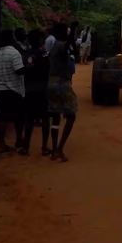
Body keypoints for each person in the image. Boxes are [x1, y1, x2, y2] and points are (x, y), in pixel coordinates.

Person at [47, 22, 78, 162]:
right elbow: (69, 44)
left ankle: (54, 149)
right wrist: (74, 30)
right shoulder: (61, 45)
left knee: (55, 116)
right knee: (71, 116)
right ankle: (59, 149)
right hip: (61, 82)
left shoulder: (53, 45)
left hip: (51, 82)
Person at [0, 29, 26, 153]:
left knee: (1, 118)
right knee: (19, 117)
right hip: (14, 90)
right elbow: (19, 70)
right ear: (12, 39)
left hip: (0, 90)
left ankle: (2, 144)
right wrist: (29, 68)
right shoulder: (14, 53)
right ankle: (19, 140)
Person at [20, 29, 50, 157]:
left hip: (29, 90)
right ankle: (44, 147)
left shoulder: (26, 54)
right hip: (42, 89)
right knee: (45, 119)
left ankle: (26, 147)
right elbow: (48, 69)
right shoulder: (43, 53)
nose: (43, 40)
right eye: (42, 38)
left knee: (29, 119)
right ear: (38, 40)